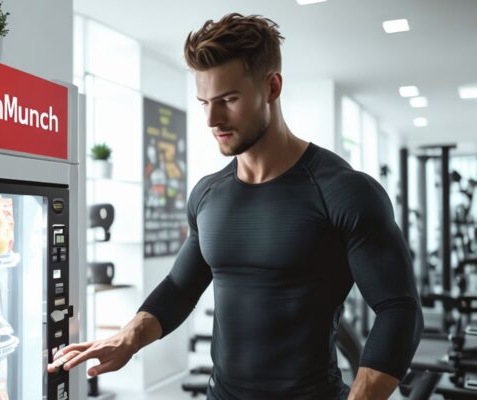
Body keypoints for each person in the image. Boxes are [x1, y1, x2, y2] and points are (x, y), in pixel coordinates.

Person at [48, 13, 423, 399]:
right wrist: (127, 338)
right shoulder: (209, 195)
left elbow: (399, 310)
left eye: (228, 100)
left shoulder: (342, 191)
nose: (212, 118)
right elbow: (180, 287)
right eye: (204, 102)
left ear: (272, 86)